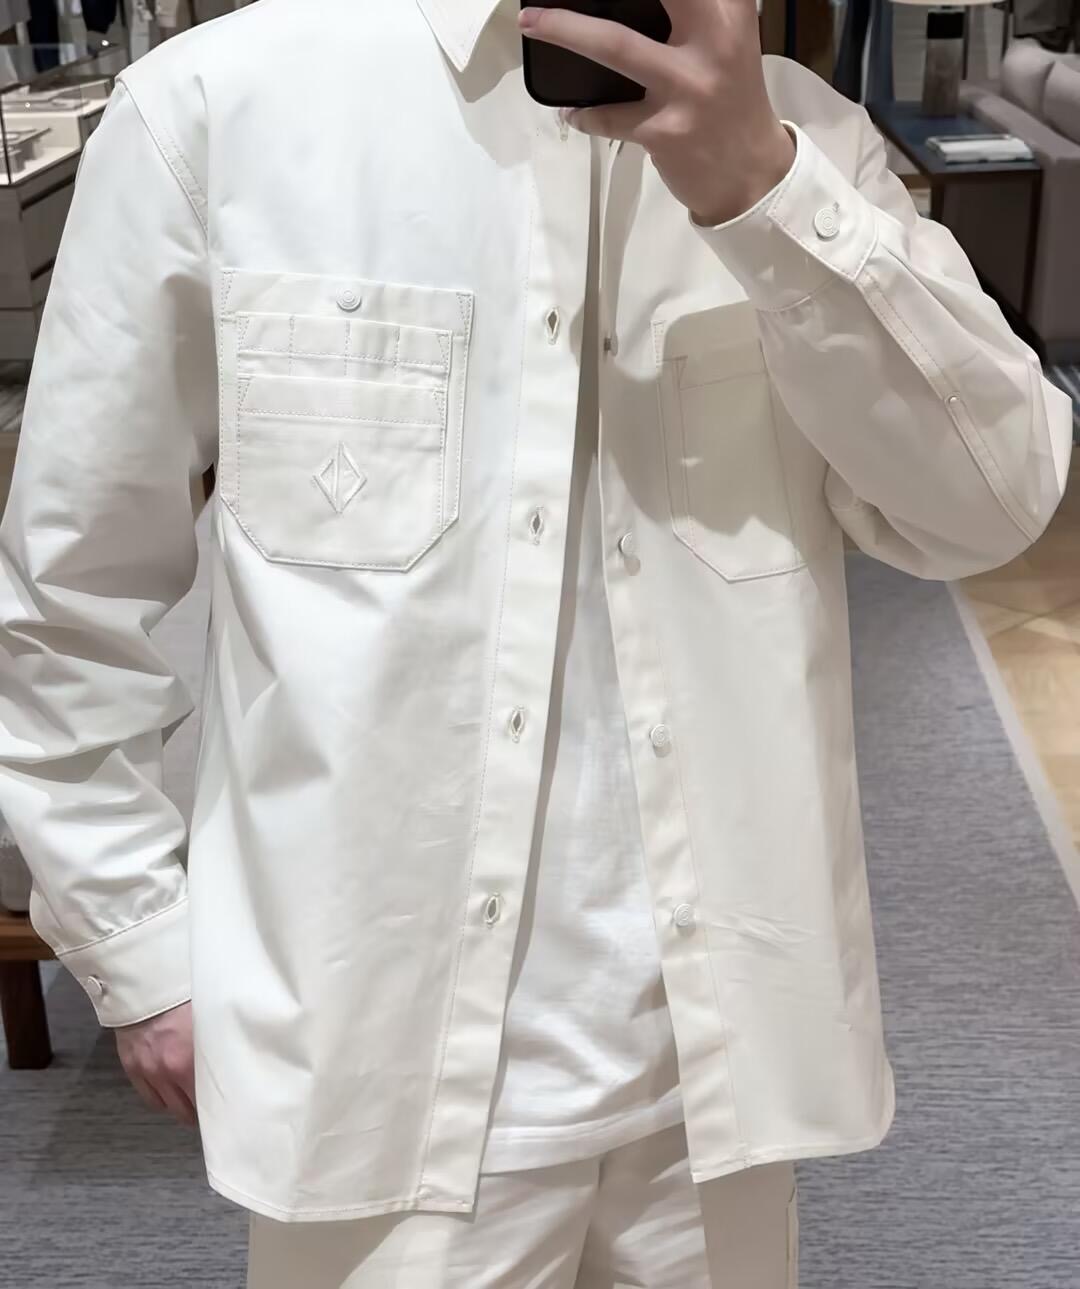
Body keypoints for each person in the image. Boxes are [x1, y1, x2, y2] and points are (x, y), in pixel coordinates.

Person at [0, 0, 1072, 1284]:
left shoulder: (806, 139)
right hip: (373, 1073)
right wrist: (135, 942)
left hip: (718, 1078)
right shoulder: (220, 111)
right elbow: (68, 589)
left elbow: (991, 503)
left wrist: (764, 192)